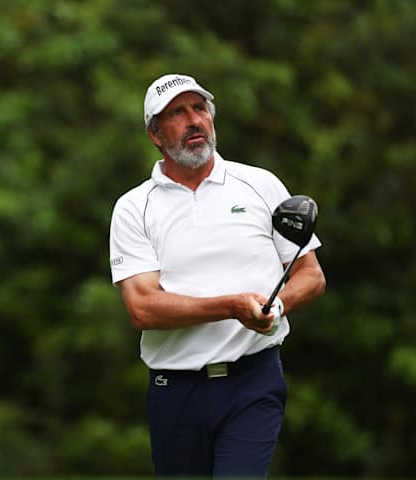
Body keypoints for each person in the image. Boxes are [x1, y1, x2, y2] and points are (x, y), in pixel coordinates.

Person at [108, 73, 326, 478]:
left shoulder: (260, 185)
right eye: (177, 113)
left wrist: (276, 305)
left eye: (199, 109)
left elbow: (310, 275)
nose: (194, 120)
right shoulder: (133, 207)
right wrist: (231, 307)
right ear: (156, 135)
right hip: (175, 391)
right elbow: (142, 308)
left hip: (253, 381)